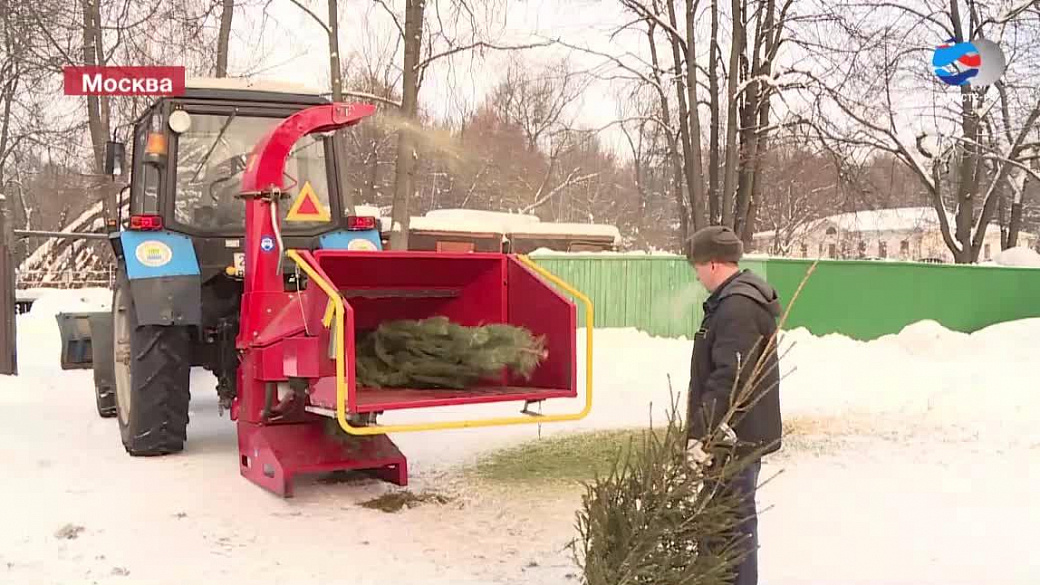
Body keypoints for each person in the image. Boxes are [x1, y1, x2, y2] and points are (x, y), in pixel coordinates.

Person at [685, 225, 783, 585]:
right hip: (732, 437)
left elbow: (731, 377)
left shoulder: (737, 308)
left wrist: (703, 434)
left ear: (712, 264)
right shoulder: (734, 302)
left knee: (732, 528)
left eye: (696, 266)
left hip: (732, 440)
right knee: (726, 524)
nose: (695, 274)